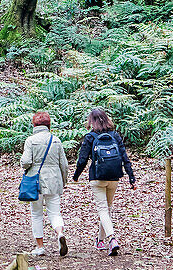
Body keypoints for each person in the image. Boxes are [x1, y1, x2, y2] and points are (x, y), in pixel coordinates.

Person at [71, 107, 135, 256]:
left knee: (102, 209)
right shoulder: (115, 135)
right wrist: (131, 177)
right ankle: (100, 240)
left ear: (92, 122)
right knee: (107, 208)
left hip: (97, 177)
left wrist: (76, 175)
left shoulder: (90, 137)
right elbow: (125, 157)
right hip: (114, 177)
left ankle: (112, 238)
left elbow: (82, 160)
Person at [20, 110, 69, 256]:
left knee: (36, 214)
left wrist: (24, 164)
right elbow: (64, 165)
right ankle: (60, 233)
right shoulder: (56, 140)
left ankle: (40, 247)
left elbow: (26, 161)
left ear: (34, 124)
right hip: (54, 181)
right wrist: (63, 182)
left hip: (35, 181)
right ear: (48, 125)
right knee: (55, 212)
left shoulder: (30, 140)